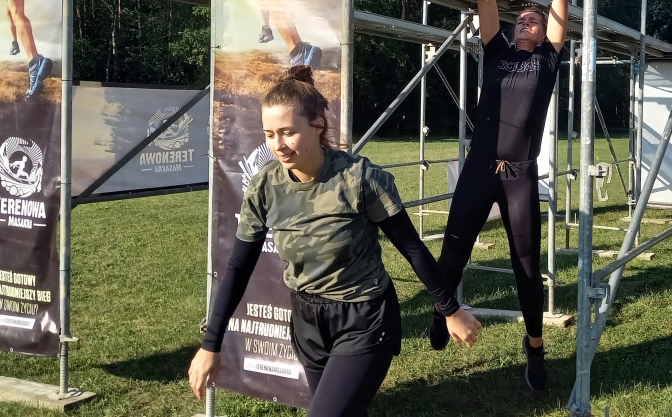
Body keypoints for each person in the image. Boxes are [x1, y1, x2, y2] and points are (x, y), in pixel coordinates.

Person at [189, 66, 481, 416]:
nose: (277, 145)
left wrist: (450, 310)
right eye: (269, 134)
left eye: (287, 132)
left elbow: (413, 248)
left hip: (364, 317)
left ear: (317, 125)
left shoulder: (360, 179)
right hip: (307, 321)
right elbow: (238, 266)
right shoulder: (265, 186)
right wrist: (211, 344)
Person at [427, 0, 578, 391]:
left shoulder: (548, 60)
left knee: (526, 267)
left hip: (519, 175)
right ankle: (442, 310)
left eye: (535, 19)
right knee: (454, 251)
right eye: (522, 20)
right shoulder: (495, 52)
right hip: (479, 166)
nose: (527, 23)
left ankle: (535, 348)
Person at [0, 0, 52, 98]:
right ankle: (15, 44)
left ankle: (34, 60)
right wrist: (14, 40)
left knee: (17, 14)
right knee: (11, 11)